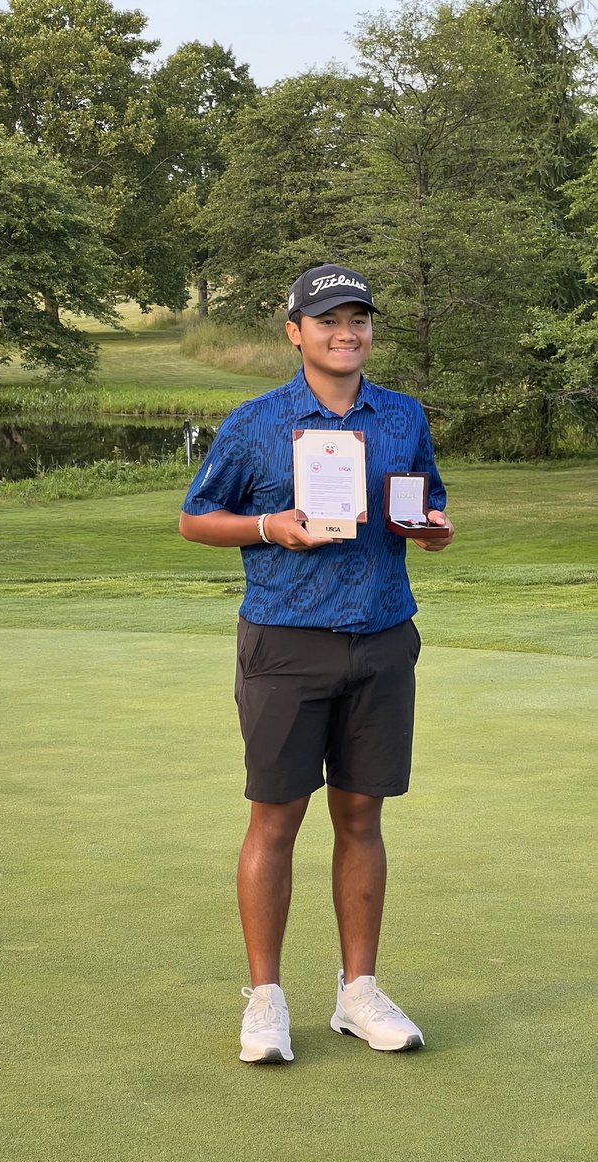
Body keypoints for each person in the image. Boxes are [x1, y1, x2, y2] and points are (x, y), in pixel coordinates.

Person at [179, 263, 454, 1063]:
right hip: (285, 641)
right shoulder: (256, 420)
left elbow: (425, 501)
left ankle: (357, 994)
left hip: (380, 638)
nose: (348, 332)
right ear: (295, 332)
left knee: (362, 817)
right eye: (329, 319)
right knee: (276, 818)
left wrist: (433, 529)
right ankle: (265, 1001)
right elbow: (197, 519)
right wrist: (270, 527)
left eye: (359, 319)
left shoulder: (401, 417)